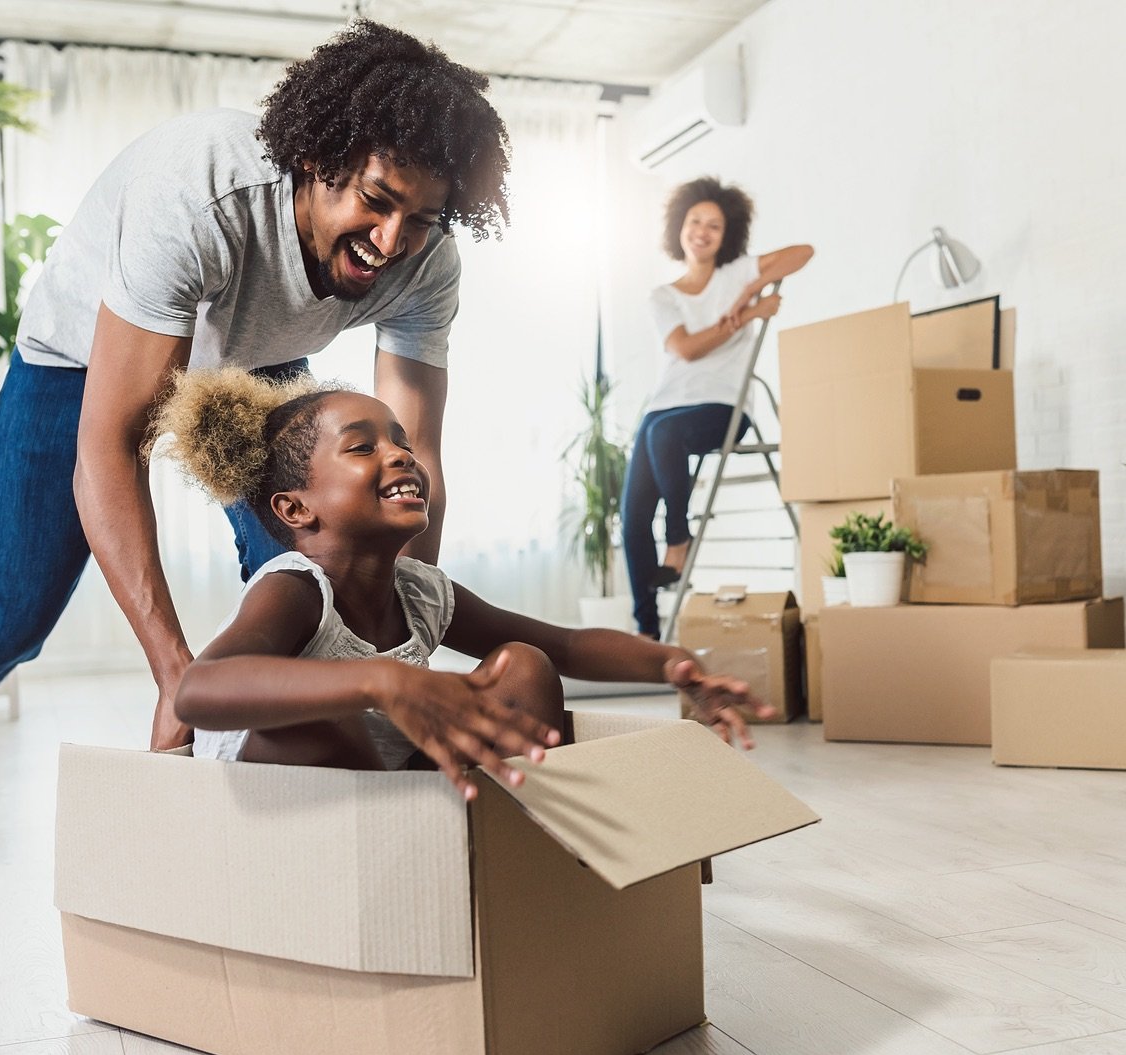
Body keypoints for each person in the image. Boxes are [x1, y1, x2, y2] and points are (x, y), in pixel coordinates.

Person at [0, 21, 513, 883]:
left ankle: (301, 810)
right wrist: (176, 675)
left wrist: (402, 635)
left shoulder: (425, 262)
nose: (392, 241)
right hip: (81, 362)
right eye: (376, 199)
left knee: (322, 562)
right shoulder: (202, 192)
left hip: (260, 360)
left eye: (422, 216)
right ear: (322, 158)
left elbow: (414, 458)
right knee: (3, 620)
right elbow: (111, 444)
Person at [162, 369, 774, 799]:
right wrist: (382, 678)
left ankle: (505, 841)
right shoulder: (295, 588)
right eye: (362, 447)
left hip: (389, 780)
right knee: (330, 713)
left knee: (524, 666)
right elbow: (197, 691)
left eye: (401, 442)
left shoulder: (420, 592)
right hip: (275, 792)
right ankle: (404, 841)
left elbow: (564, 646)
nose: (400, 455)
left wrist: (671, 664)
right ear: (297, 510)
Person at [621, 178, 813, 639]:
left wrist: (752, 288)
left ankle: (679, 538)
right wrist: (747, 315)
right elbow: (685, 349)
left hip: (722, 408)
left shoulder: (737, 272)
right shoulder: (663, 296)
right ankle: (647, 632)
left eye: (714, 224)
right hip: (664, 409)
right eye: (694, 222)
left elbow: (803, 252)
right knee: (631, 520)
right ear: (679, 228)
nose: (703, 231)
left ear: (728, 235)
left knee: (662, 433)